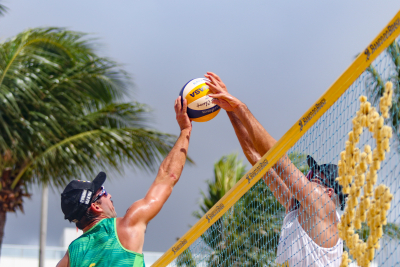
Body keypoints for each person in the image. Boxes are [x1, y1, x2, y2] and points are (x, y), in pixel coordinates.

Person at [205, 72, 347, 267]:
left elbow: (279, 161)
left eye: (314, 177)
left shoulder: (321, 206)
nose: (308, 175)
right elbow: (257, 158)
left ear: (329, 192)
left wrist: (241, 108)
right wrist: (229, 110)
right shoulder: (297, 209)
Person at [57, 96, 192, 267]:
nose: (110, 195)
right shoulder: (127, 225)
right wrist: (185, 130)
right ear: (96, 206)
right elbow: (167, 177)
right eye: (103, 192)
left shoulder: (71, 256)